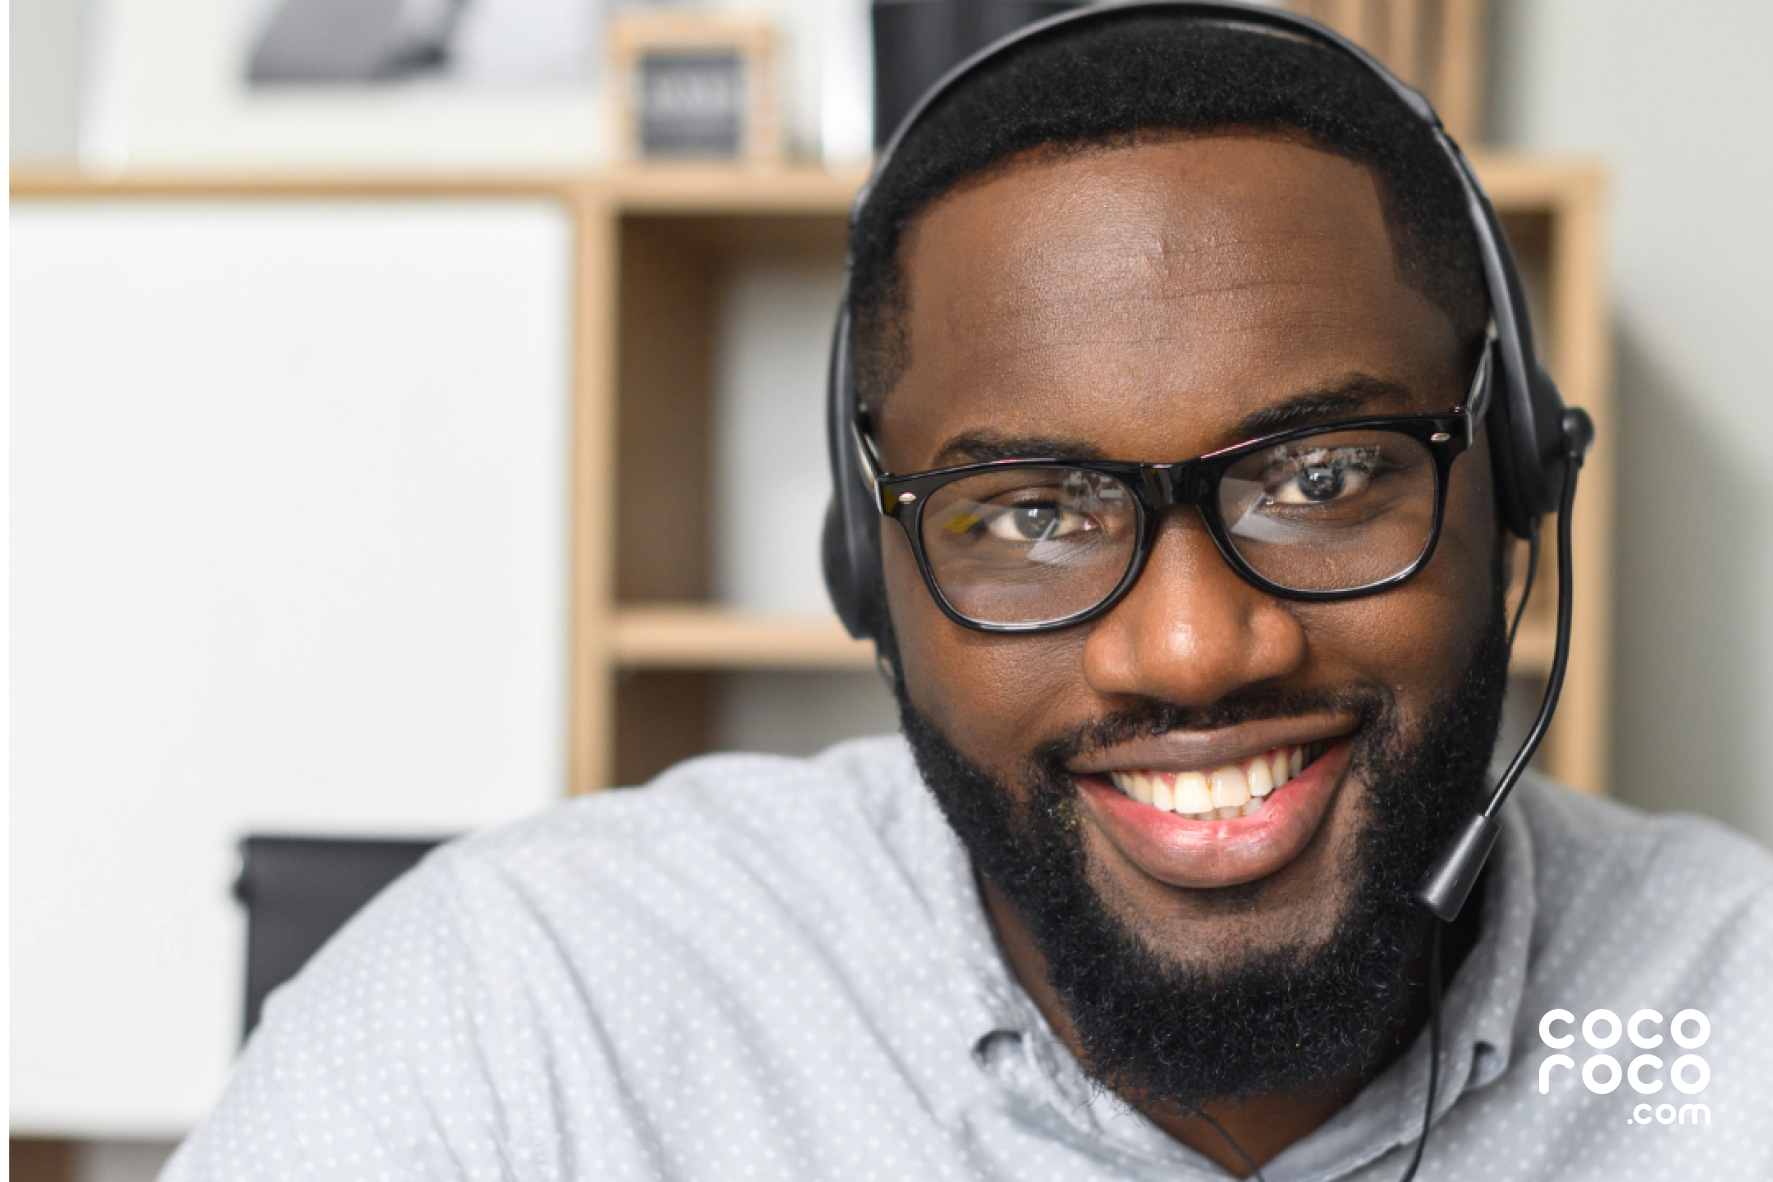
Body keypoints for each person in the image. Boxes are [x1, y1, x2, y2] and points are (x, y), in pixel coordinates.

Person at [164, 9, 1773, 1181]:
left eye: (1324, 476)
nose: (1192, 646)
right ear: (870, 581)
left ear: (1513, 485)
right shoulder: (532, 1017)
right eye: (1031, 511)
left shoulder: (1730, 1027)